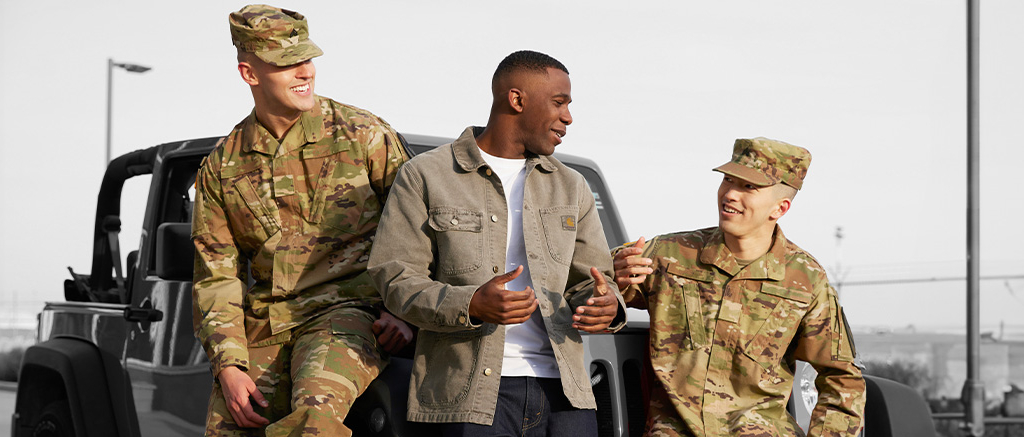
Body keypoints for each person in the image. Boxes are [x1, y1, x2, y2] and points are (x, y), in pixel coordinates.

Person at [367, 50, 626, 436]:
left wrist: (605, 305)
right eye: (559, 103)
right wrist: (471, 303)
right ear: (517, 99)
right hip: (466, 396)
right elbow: (395, 277)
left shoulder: (572, 185)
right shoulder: (425, 175)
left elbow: (592, 279)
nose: (568, 117)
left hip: (566, 396)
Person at [191, 5, 411, 436]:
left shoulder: (363, 135)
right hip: (267, 324)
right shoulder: (222, 166)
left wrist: (404, 311)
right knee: (228, 424)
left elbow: (419, 229)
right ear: (250, 74)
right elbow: (216, 277)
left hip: (348, 310)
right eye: (286, 63)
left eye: (306, 58)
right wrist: (230, 366)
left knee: (315, 413)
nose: (303, 71)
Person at [613, 138, 865, 436]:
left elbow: (842, 378)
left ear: (780, 208)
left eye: (749, 187)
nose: (730, 194)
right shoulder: (669, 255)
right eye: (728, 180)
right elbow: (586, 284)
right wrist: (612, 283)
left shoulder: (805, 279)